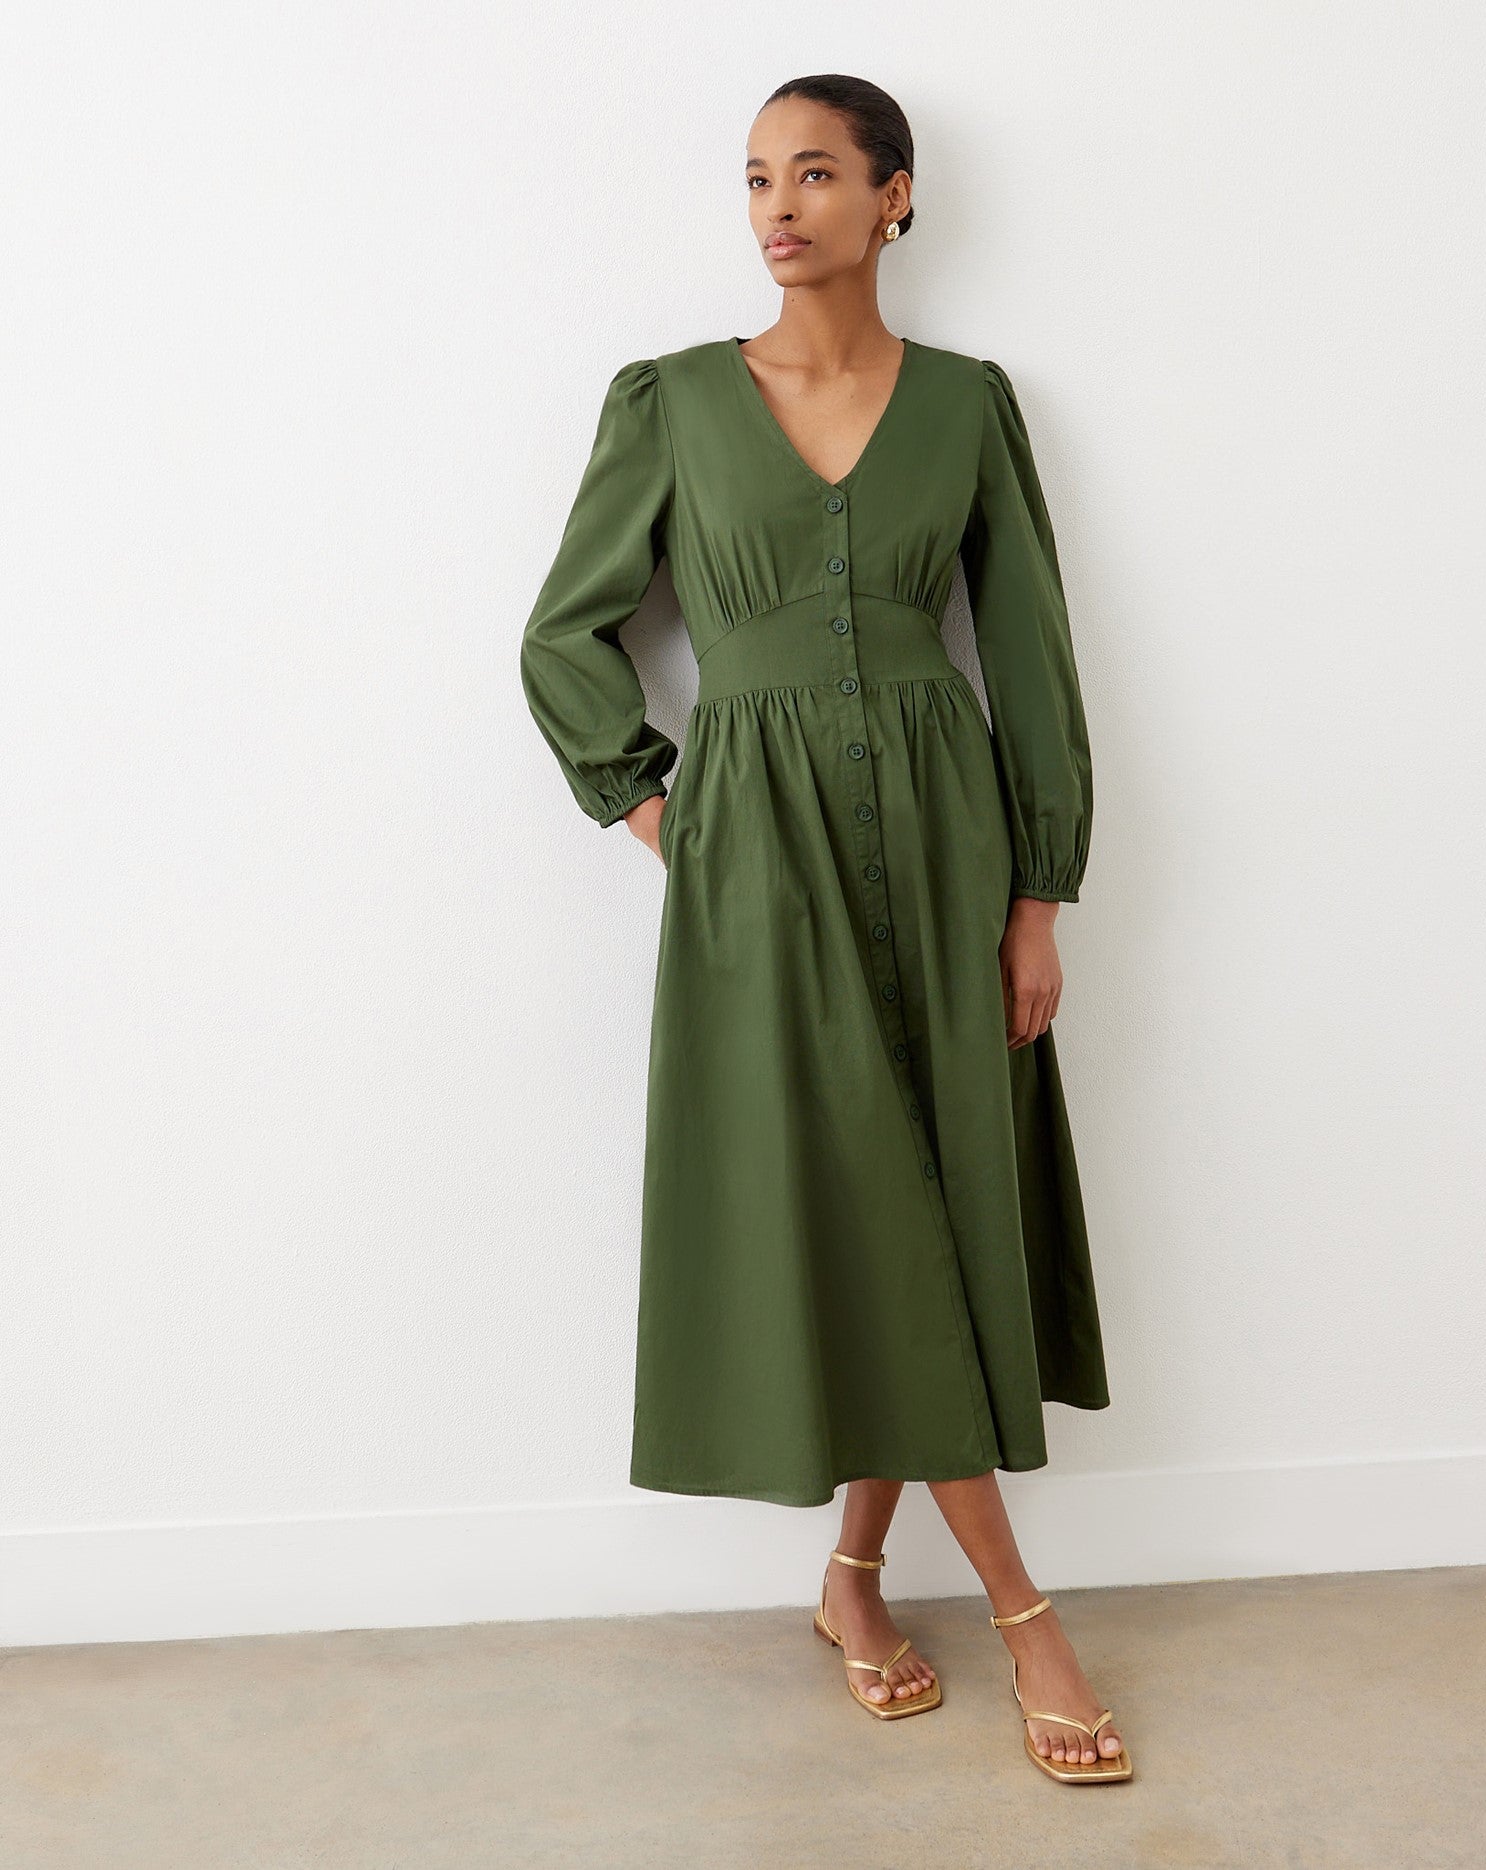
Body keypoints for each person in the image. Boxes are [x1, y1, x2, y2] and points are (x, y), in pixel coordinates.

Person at [520, 73, 1129, 1784]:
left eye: (815, 174)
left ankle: (855, 1579)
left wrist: (1038, 895)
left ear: (894, 196)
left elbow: (1033, 659)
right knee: (860, 1195)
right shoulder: (669, 401)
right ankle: (1025, 1614)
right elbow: (563, 634)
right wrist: (664, 812)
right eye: (755, 179)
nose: (778, 208)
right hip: (759, 861)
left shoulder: (971, 407)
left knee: (923, 1193)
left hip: (946, 843)